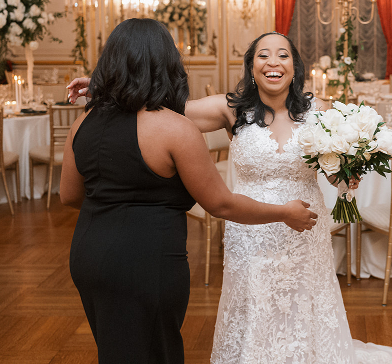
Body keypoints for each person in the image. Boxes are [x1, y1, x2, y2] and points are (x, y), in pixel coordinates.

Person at [69, 30, 392, 364]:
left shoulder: (321, 111)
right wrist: (105, 86)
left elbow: (342, 158)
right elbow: (156, 103)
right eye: (263, 55)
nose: (273, 62)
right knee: (253, 306)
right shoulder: (230, 109)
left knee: (305, 305)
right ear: (251, 67)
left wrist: (347, 171)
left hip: (305, 226)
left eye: (283, 55)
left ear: (295, 67)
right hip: (249, 229)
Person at [60, 20, 318, 364]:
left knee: (115, 350)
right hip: (147, 261)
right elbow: (220, 204)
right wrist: (284, 212)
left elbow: (69, 196)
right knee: (157, 352)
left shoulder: (82, 122)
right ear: (167, 64)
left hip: (88, 255)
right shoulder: (175, 129)